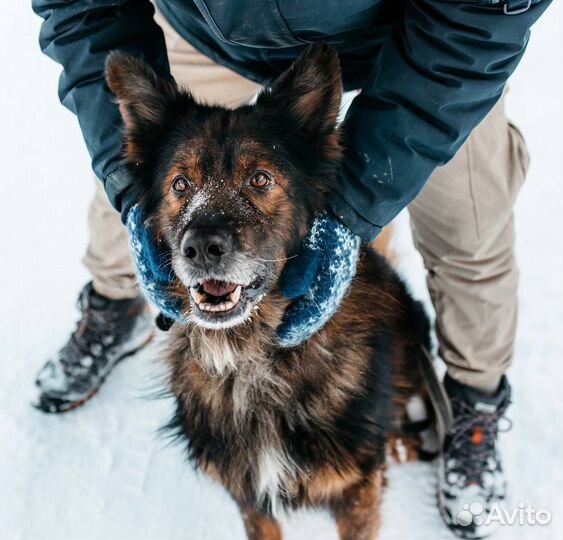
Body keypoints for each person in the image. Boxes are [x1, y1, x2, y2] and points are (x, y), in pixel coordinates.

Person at [31, 0, 551, 537]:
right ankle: (117, 305)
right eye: (186, 187)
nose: (206, 240)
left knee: (472, 228)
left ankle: (476, 398)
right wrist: (130, 190)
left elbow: (480, 21)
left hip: (434, 44)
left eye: (260, 184)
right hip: (209, 31)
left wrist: (351, 214)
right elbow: (79, 13)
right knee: (136, 190)